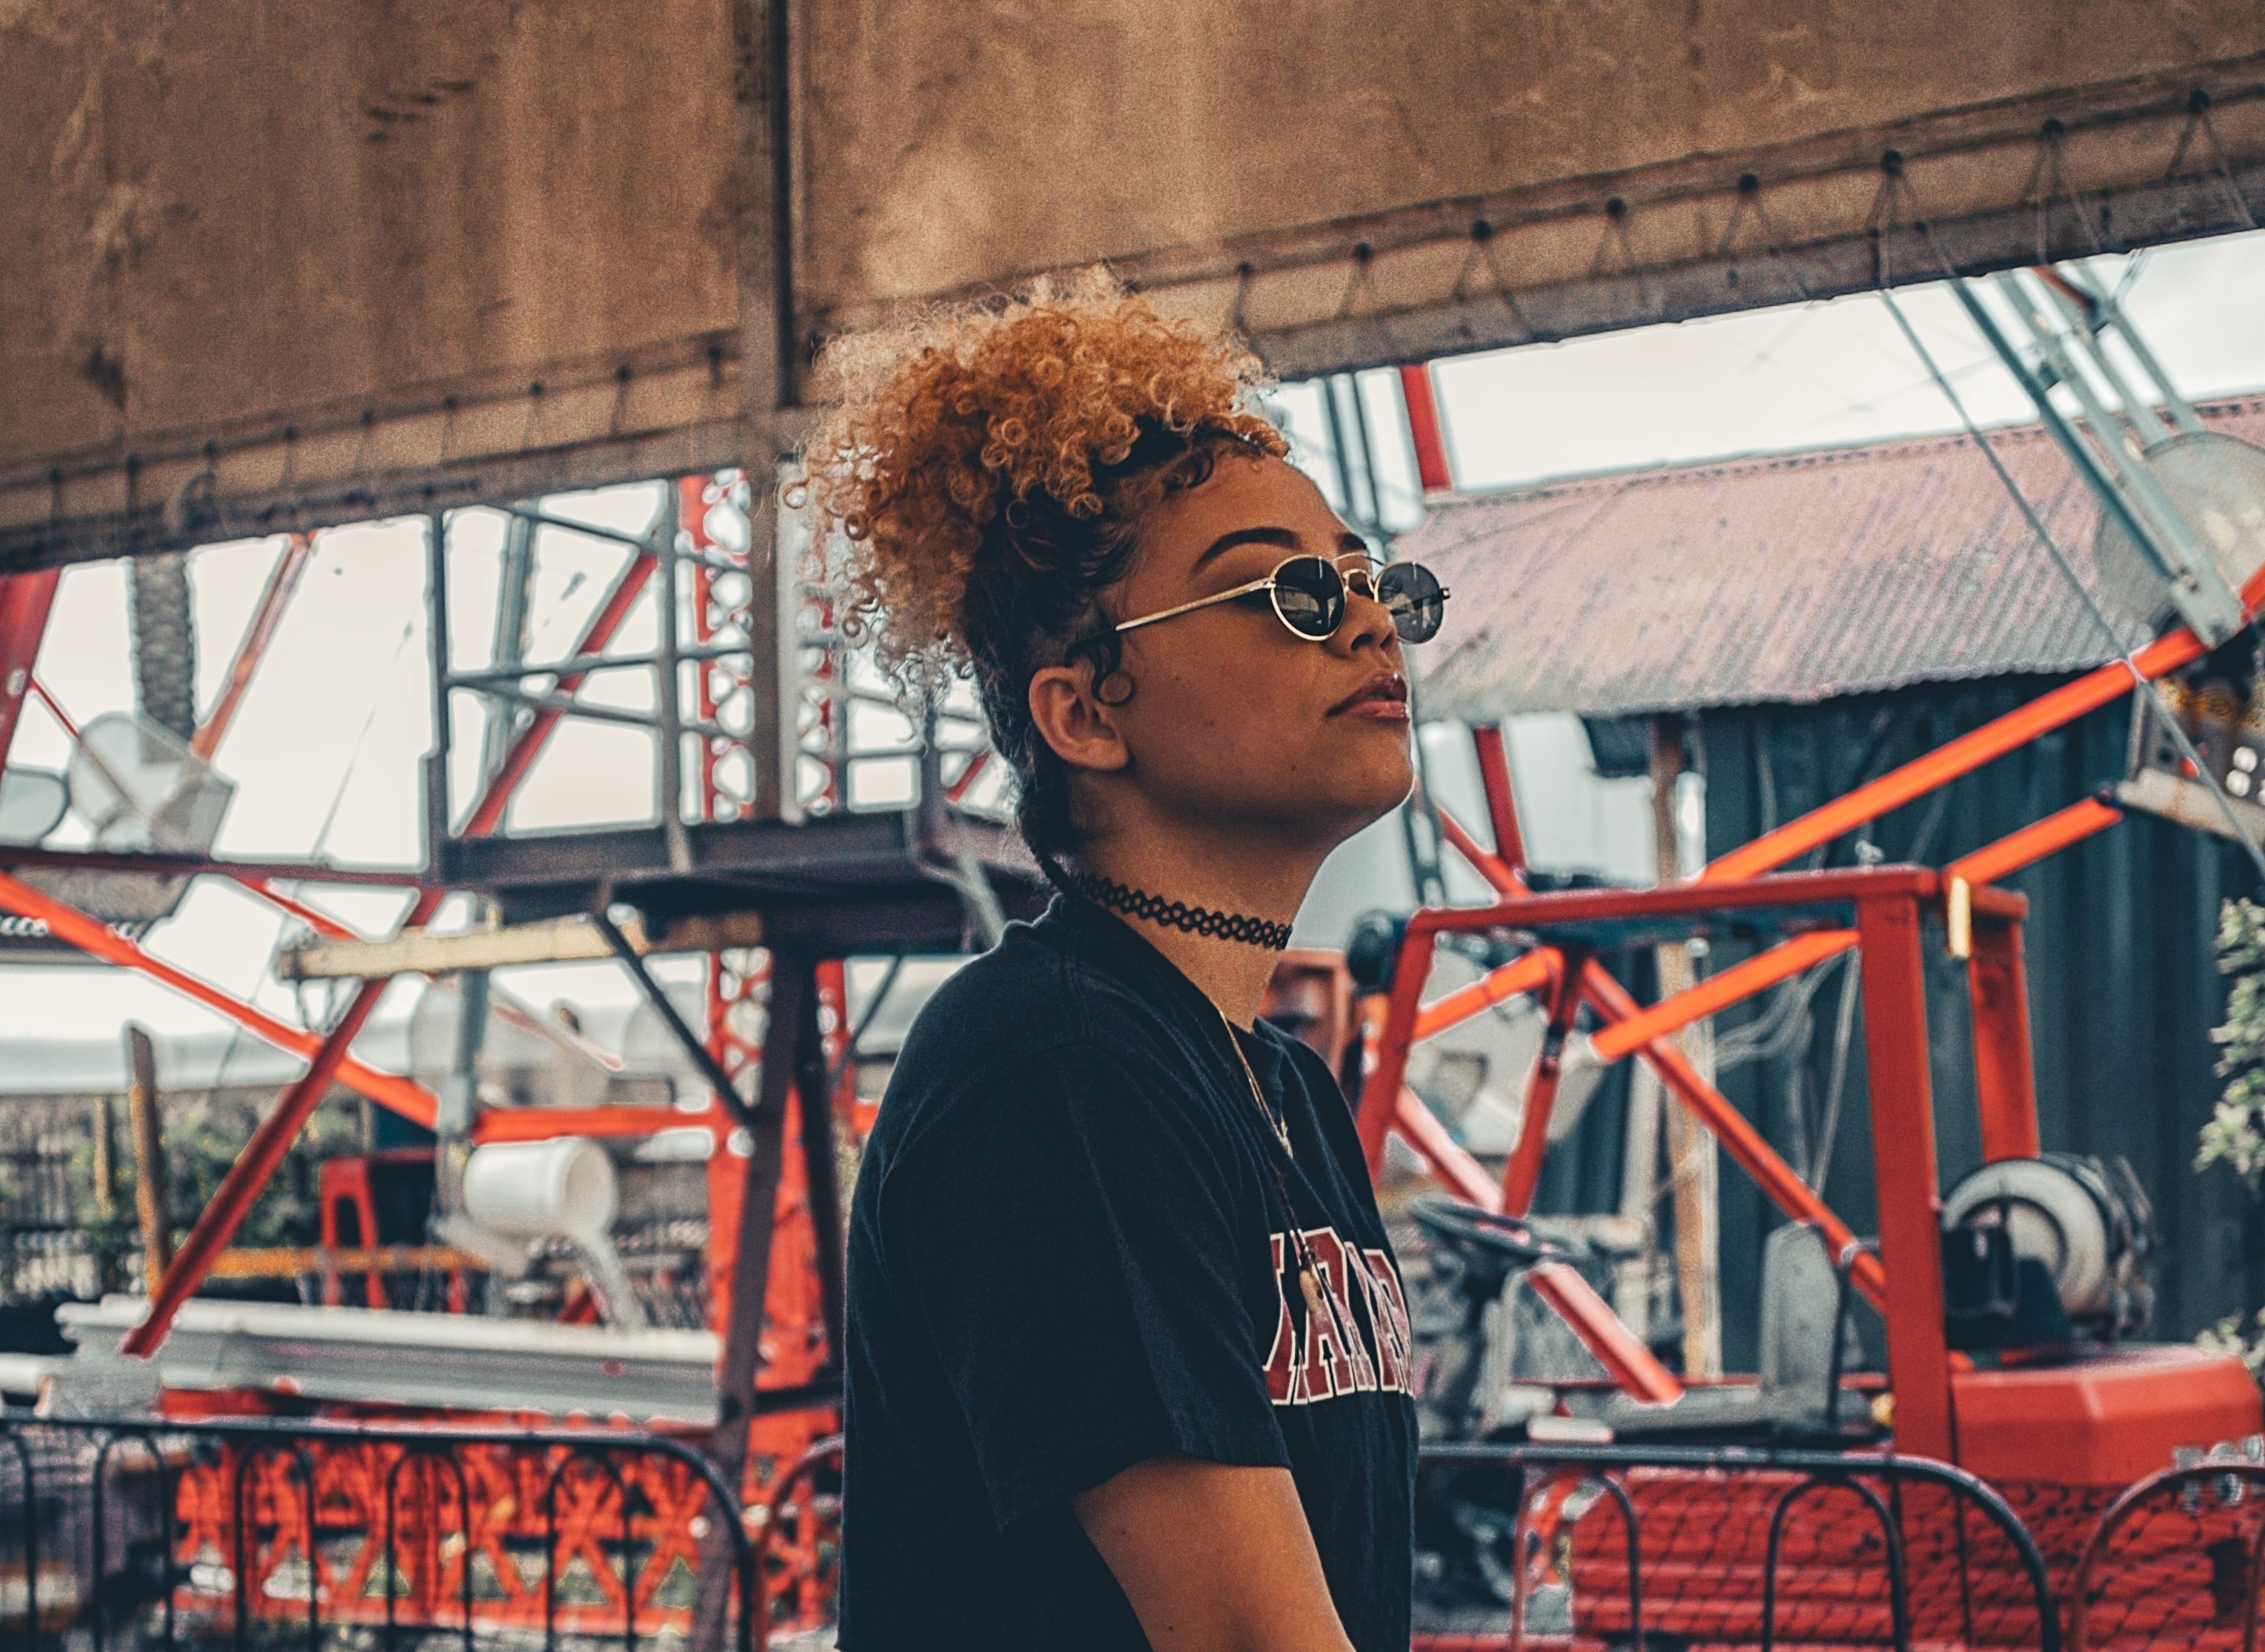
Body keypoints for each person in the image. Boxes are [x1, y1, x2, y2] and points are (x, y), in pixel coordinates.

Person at [798, 272, 1451, 1651]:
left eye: (1367, 578)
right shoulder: (1058, 1067)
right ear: (1088, 710)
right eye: (1285, 591)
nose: (1368, 619)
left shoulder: (1276, 1084)